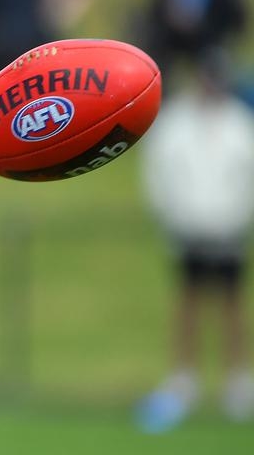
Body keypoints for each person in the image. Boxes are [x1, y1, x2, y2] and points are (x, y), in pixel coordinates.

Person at [135, 54, 254, 433]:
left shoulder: (239, 123)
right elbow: (158, 173)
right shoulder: (175, 122)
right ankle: (183, 380)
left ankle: (238, 382)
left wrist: (239, 216)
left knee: (232, 302)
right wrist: (171, 215)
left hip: (229, 227)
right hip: (187, 228)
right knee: (187, 302)